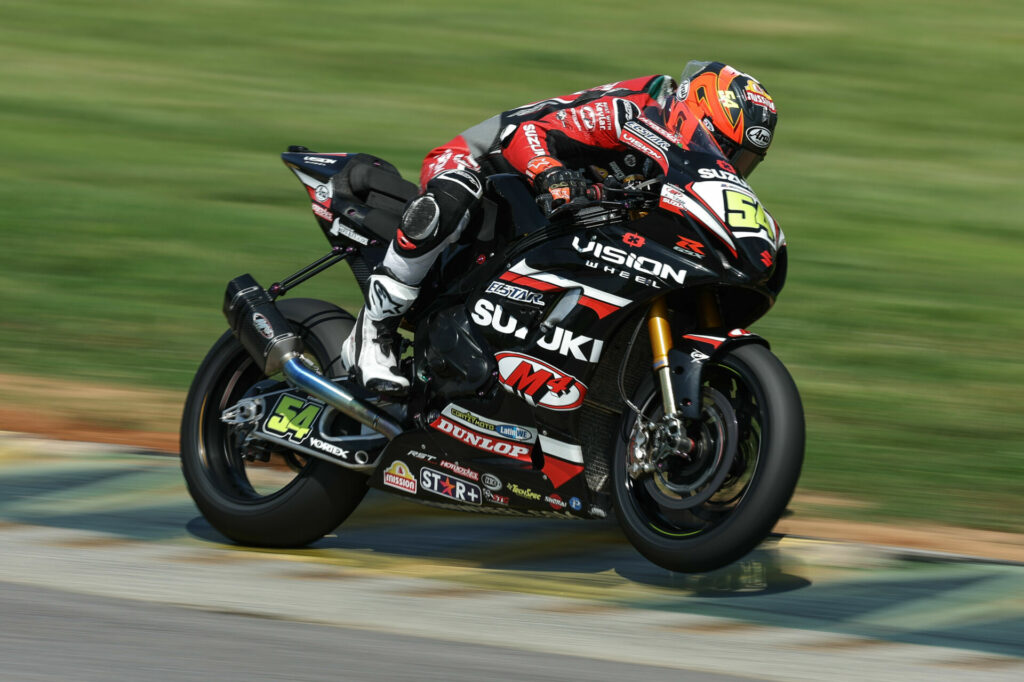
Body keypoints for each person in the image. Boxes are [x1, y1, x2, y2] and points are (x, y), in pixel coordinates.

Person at [340, 61, 778, 394]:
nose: (731, 168)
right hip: (490, 159)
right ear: (691, 117)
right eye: (726, 151)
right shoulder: (633, 112)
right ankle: (373, 331)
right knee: (453, 195)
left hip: (553, 205)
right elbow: (528, 134)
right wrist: (551, 173)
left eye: (744, 163)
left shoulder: (682, 157)